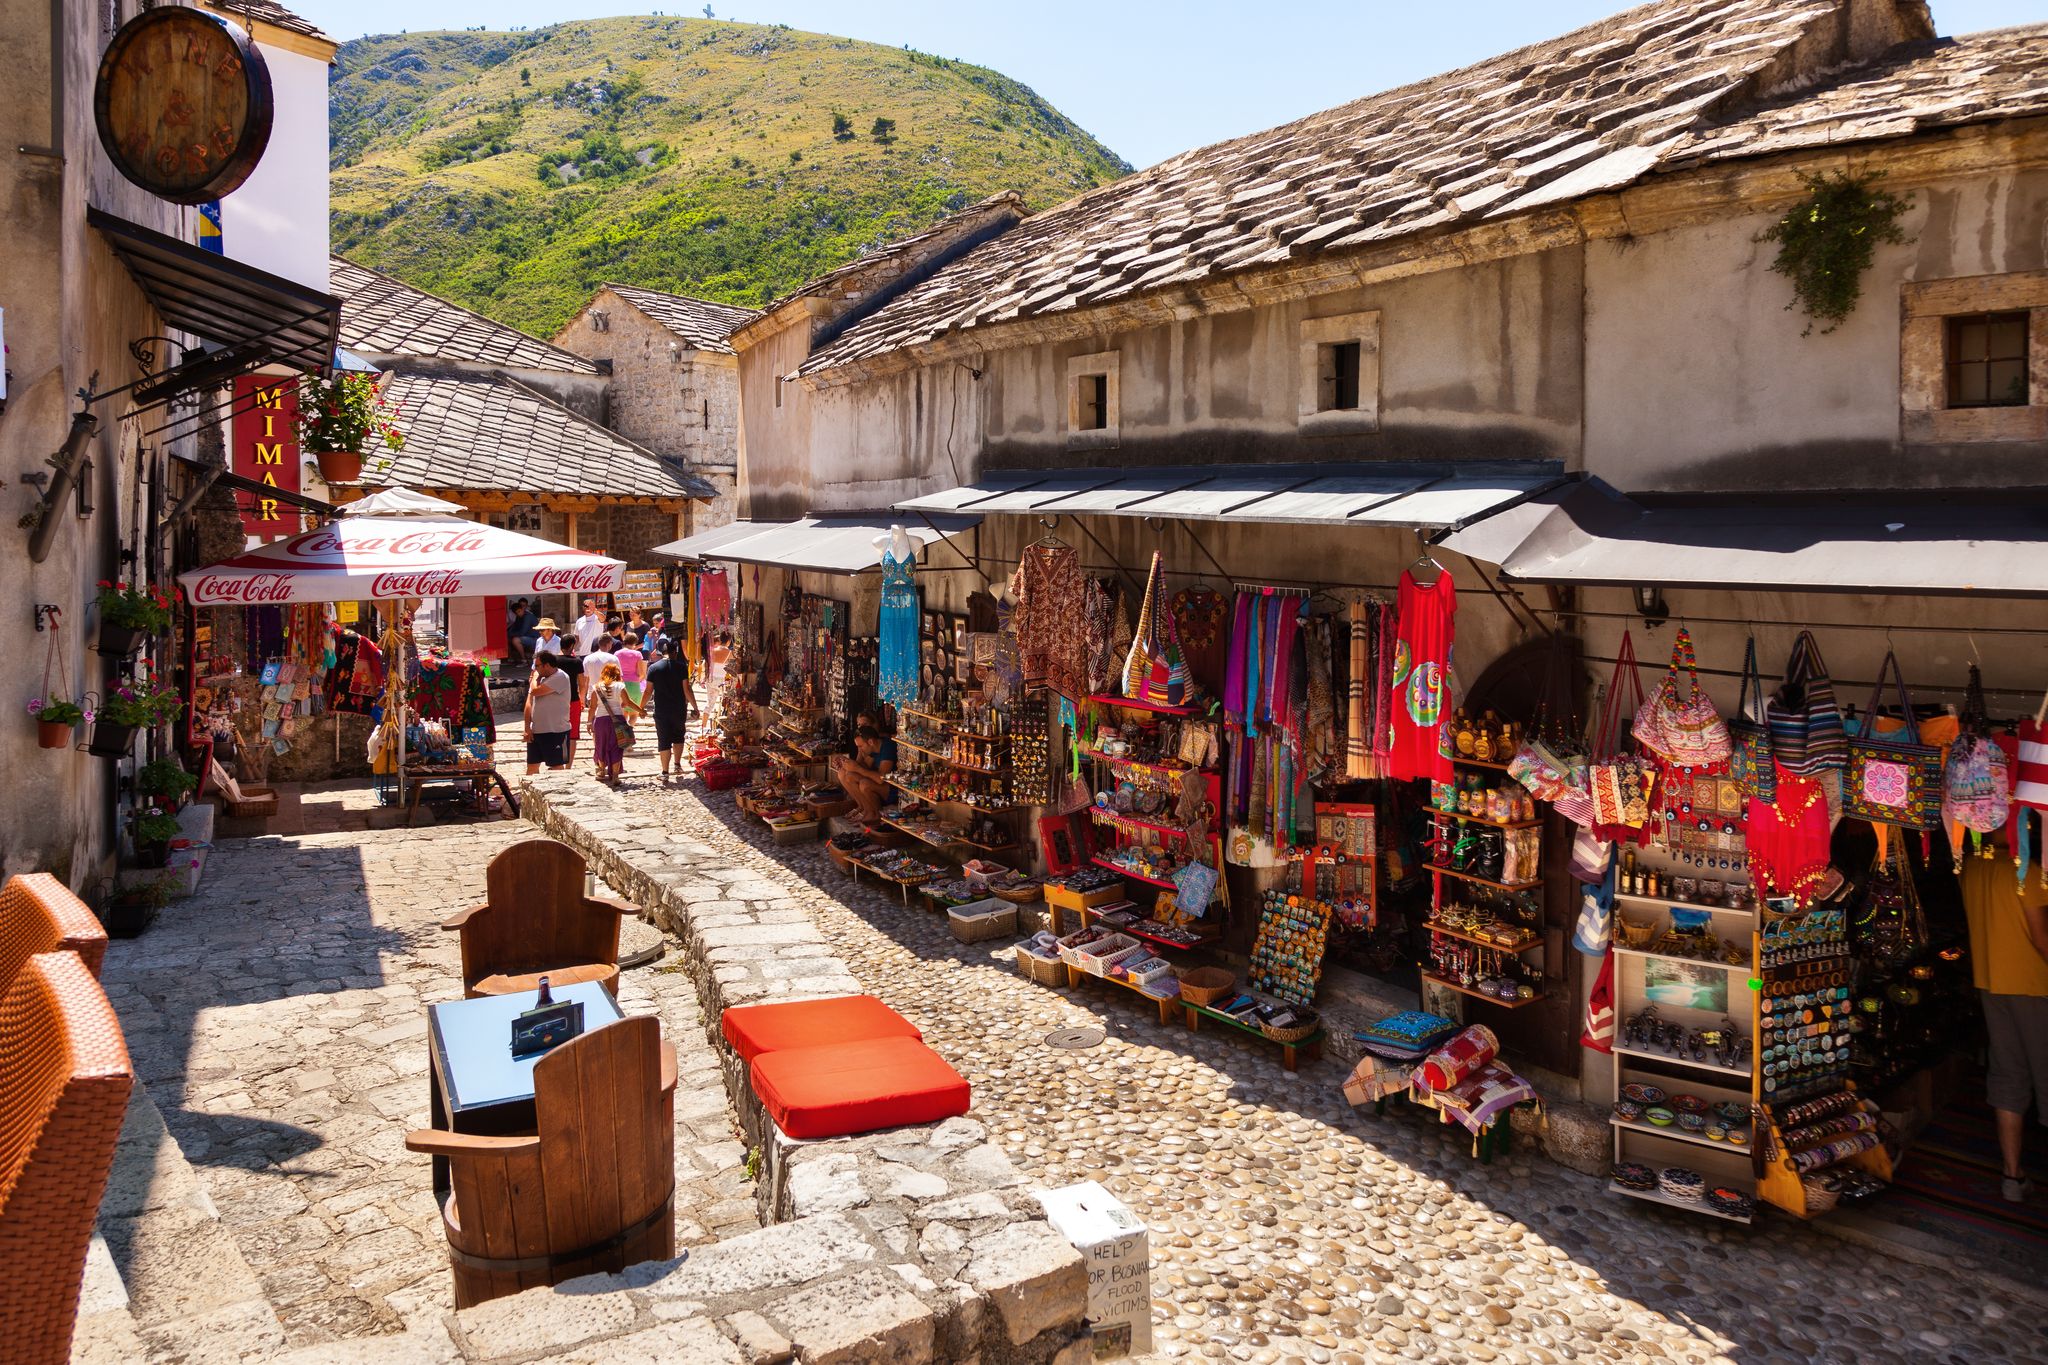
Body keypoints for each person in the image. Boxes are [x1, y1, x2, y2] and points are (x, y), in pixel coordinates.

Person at [1961, 848, 2048, 1201]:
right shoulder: (2027, 871)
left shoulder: (1971, 866)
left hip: (1991, 982)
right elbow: (2043, 939)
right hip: (2034, 987)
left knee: (2008, 1076)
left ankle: (2012, 1176)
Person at [644, 637, 695, 780]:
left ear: (662, 652)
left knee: (664, 739)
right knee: (679, 736)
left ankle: (665, 772)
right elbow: (687, 690)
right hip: (679, 708)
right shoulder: (681, 667)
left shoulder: (653, 668)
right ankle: (677, 765)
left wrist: (640, 708)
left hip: (661, 709)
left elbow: (648, 691)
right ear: (675, 652)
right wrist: (695, 707)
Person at [587, 661, 639, 787]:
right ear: (617, 674)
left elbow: (592, 707)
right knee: (617, 746)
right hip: (618, 720)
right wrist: (640, 710)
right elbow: (628, 702)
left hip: (601, 721)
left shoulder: (596, 687)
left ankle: (601, 771)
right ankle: (615, 775)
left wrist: (589, 722)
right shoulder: (620, 686)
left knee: (601, 745)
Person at [831, 725, 895, 823]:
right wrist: (844, 762)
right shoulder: (872, 747)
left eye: (860, 746)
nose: (859, 750)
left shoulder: (887, 747)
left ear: (870, 742)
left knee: (865, 784)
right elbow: (863, 767)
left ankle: (876, 814)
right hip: (879, 783)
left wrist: (856, 768)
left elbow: (881, 779)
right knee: (845, 773)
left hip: (892, 790)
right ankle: (865, 809)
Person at [522, 652, 573, 775]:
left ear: (547, 665)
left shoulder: (560, 677)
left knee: (556, 766)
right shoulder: (540, 679)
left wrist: (534, 679)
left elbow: (534, 691)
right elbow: (529, 703)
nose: (535, 669)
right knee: (532, 766)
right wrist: (527, 727)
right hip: (537, 731)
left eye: (537, 666)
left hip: (555, 731)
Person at [616, 631, 646, 708]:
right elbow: (642, 674)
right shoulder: (637, 654)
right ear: (635, 642)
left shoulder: (617, 653)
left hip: (620, 684)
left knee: (623, 712)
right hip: (634, 684)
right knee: (634, 714)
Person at [506, 598, 538, 664]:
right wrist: (509, 634)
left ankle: (524, 660)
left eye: (519, 611)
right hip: (527, 637)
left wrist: (512, 634)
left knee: (515, 640)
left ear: (523, 609)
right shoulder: (519, 617)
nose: (519, 613)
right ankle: (511, 658)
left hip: (535, 638)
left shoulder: (528, 616)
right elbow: (515, 628)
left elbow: (522, 632)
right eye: (517, 613)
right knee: (507, 637)